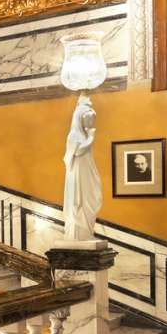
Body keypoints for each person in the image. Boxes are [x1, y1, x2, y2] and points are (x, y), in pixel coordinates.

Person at [62, 94, 101, 241]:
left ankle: (86, 233)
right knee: (80, 199)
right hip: (77, 172)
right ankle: (79, 234)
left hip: (86, 171)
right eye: (89, 119)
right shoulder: (74, 135)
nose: (91, 123)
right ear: (80, 119)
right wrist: (91, 138)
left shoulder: (84, 136)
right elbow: (77, 152)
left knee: (90, 196)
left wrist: (89, 137)